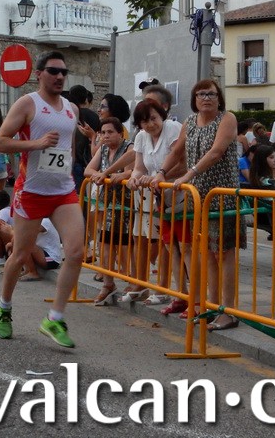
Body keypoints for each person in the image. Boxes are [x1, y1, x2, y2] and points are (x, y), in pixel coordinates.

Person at [0, 50, 84, 348]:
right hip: (31, 191)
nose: (59, 76)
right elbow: (0, 142)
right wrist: (37, 143)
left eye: (63, 72)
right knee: (20, 255)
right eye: (53, 71)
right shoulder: (27, 104)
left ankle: (54, 318)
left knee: (76, 252)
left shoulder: (71, 108)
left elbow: (68, 149)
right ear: (39, 74)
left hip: (63, 191)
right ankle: (4, 306)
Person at [153, 79, 245, 331]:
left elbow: (216, 152)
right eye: (201, 94)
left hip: (222, 195)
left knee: (224, 253)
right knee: (206, 253)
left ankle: (228, 310)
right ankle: (211, 306)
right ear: (194, 99)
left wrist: (187, 175)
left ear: (219, 98)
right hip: (198, 198)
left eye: (211, 94)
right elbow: (176, 152)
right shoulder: (190, 122)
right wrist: (161, 172)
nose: (206, 98)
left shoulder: (227, 118)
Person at [126, 99, 184, 306]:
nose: (150, 124)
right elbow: (139, 167)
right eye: (145, 121)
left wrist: (160, 176)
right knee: (147, 239)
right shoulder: (141, 137)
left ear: (162, 116)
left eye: (153, 118)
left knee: (172, 244)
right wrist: (134, 178)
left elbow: (183, 163)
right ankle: (146, 285)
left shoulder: (173, 129)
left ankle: (168, 288)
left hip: (177, 193)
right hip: (153, 195)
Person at [84, 117, 133, 304]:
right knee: (105, 242)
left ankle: (133, 281)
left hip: (127, 202)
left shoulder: (129, 147)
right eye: (103, 132)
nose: (106, 136)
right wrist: (100, 175)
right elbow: (88, 170)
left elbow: (129, 171)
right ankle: (108, 284)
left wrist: (110, 175)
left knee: (126, 245)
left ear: (120, 133)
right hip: (107, 203)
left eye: (110, 132)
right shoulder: (103, 149)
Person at [68, 84, 101, 193]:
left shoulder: (68, 114)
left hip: (70, 160)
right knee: (83, 196)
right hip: (88, 162)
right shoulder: (94, 116)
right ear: (86, 98)